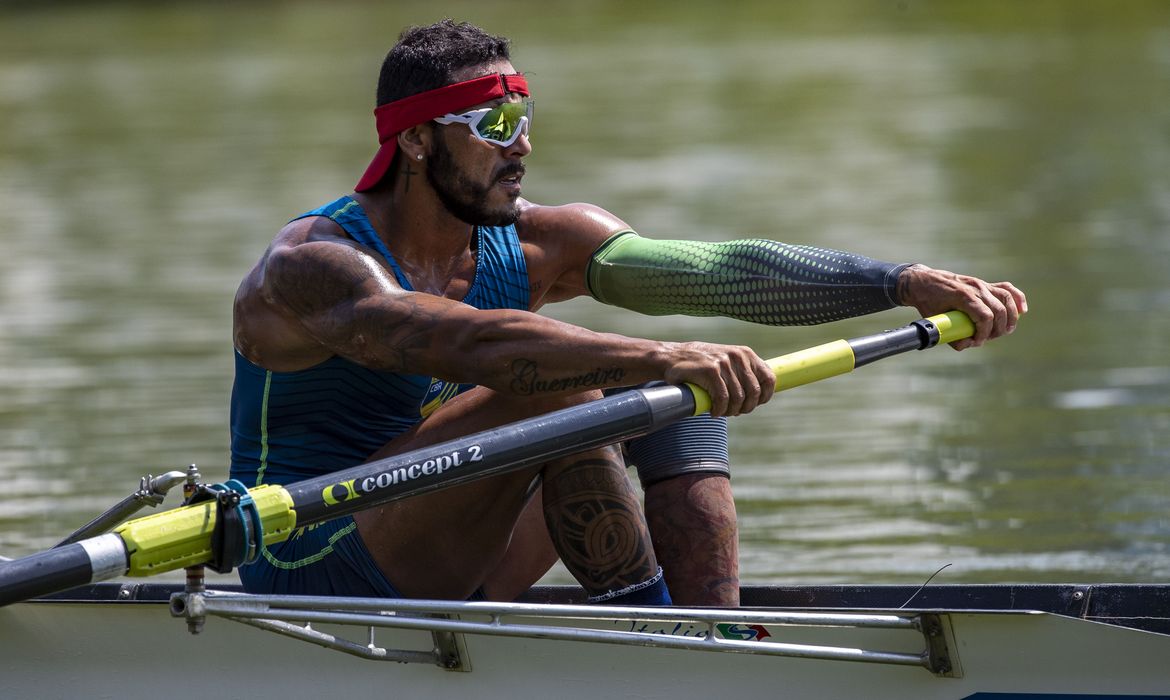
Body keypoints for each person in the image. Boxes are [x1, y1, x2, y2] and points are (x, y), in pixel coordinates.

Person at [229, 20, 1026, 607]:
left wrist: (901, 281)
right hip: (313, 564)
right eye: (495, 127)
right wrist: (651, 358)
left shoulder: (543, 242)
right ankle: (650, 636)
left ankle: (713, 637)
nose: (524, 148)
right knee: (576, 377)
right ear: (415, 143)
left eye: (526, 120)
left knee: (676, 387)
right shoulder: (310, 266)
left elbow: (719, 273)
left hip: (459, 546)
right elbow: (458, 342)